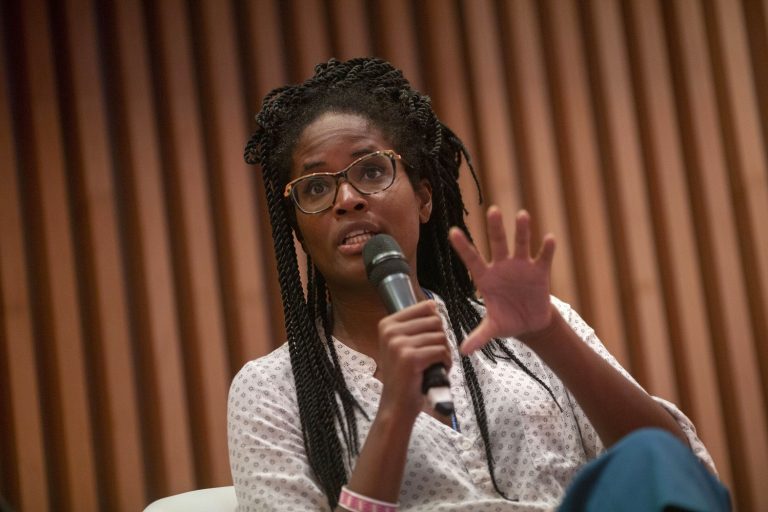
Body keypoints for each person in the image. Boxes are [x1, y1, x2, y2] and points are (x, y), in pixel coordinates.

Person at [229, 57, 730, 511]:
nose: (347, 199)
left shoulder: (535, 328)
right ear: (299, 229)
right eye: (316, 186)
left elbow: (677, 473)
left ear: (424, 199)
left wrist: (550, 335)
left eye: (372, 171)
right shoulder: (271, 389)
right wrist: (395, 414)